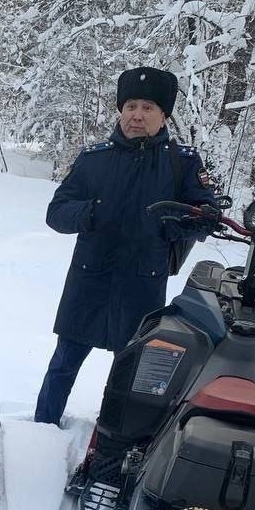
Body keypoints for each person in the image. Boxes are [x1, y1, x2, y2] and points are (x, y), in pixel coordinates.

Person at [34, 67, 217, 426]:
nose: (136, 115)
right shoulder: (94, 160)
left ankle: (112, 443)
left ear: (164, 115)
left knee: (133, 377)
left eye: (148, 107)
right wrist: (92, 212)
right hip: (89, 280)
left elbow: (205, 217)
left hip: (142, 286)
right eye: (130, 105)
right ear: (120, 110)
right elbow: (56, 213)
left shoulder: (183, 163)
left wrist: (175, 222)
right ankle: (41, 433)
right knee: (62, 365)